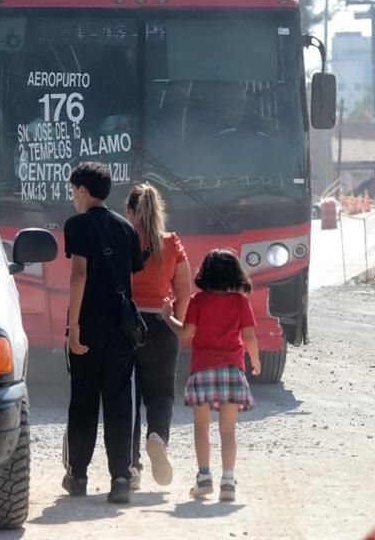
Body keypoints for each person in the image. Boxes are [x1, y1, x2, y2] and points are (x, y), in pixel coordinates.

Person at [62, 162, 145, 504]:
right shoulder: (126, 228)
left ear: (83, 191)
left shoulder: (77, 225)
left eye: (73, 192)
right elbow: (131, 274)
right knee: (118, 401)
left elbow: (79, 274)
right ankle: (121, 478)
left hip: (90, 325)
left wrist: (74, 327)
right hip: (122, 328)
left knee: (83, 400)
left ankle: (78, 476)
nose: (72, 198)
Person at [160, 249, 261, 502]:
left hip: (202, 370)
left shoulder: (197, 301)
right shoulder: (240, 302)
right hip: (231, 370)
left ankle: (204, 478)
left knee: (201, 429)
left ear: (205, 273)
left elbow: (185, 334)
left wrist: (167, 317)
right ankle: (228, 481)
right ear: (234, 273)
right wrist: (255, 359)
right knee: (228, 432)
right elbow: (248, 336)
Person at [125, 183, 192, 490]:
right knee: (161, 393)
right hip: (162, 326)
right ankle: (157, 436)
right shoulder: (172, 243)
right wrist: (173, 319)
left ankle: (131, 466)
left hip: (126, 325)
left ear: (129, 212)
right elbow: (183, 291)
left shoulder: (122, 240)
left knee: (127, 397)